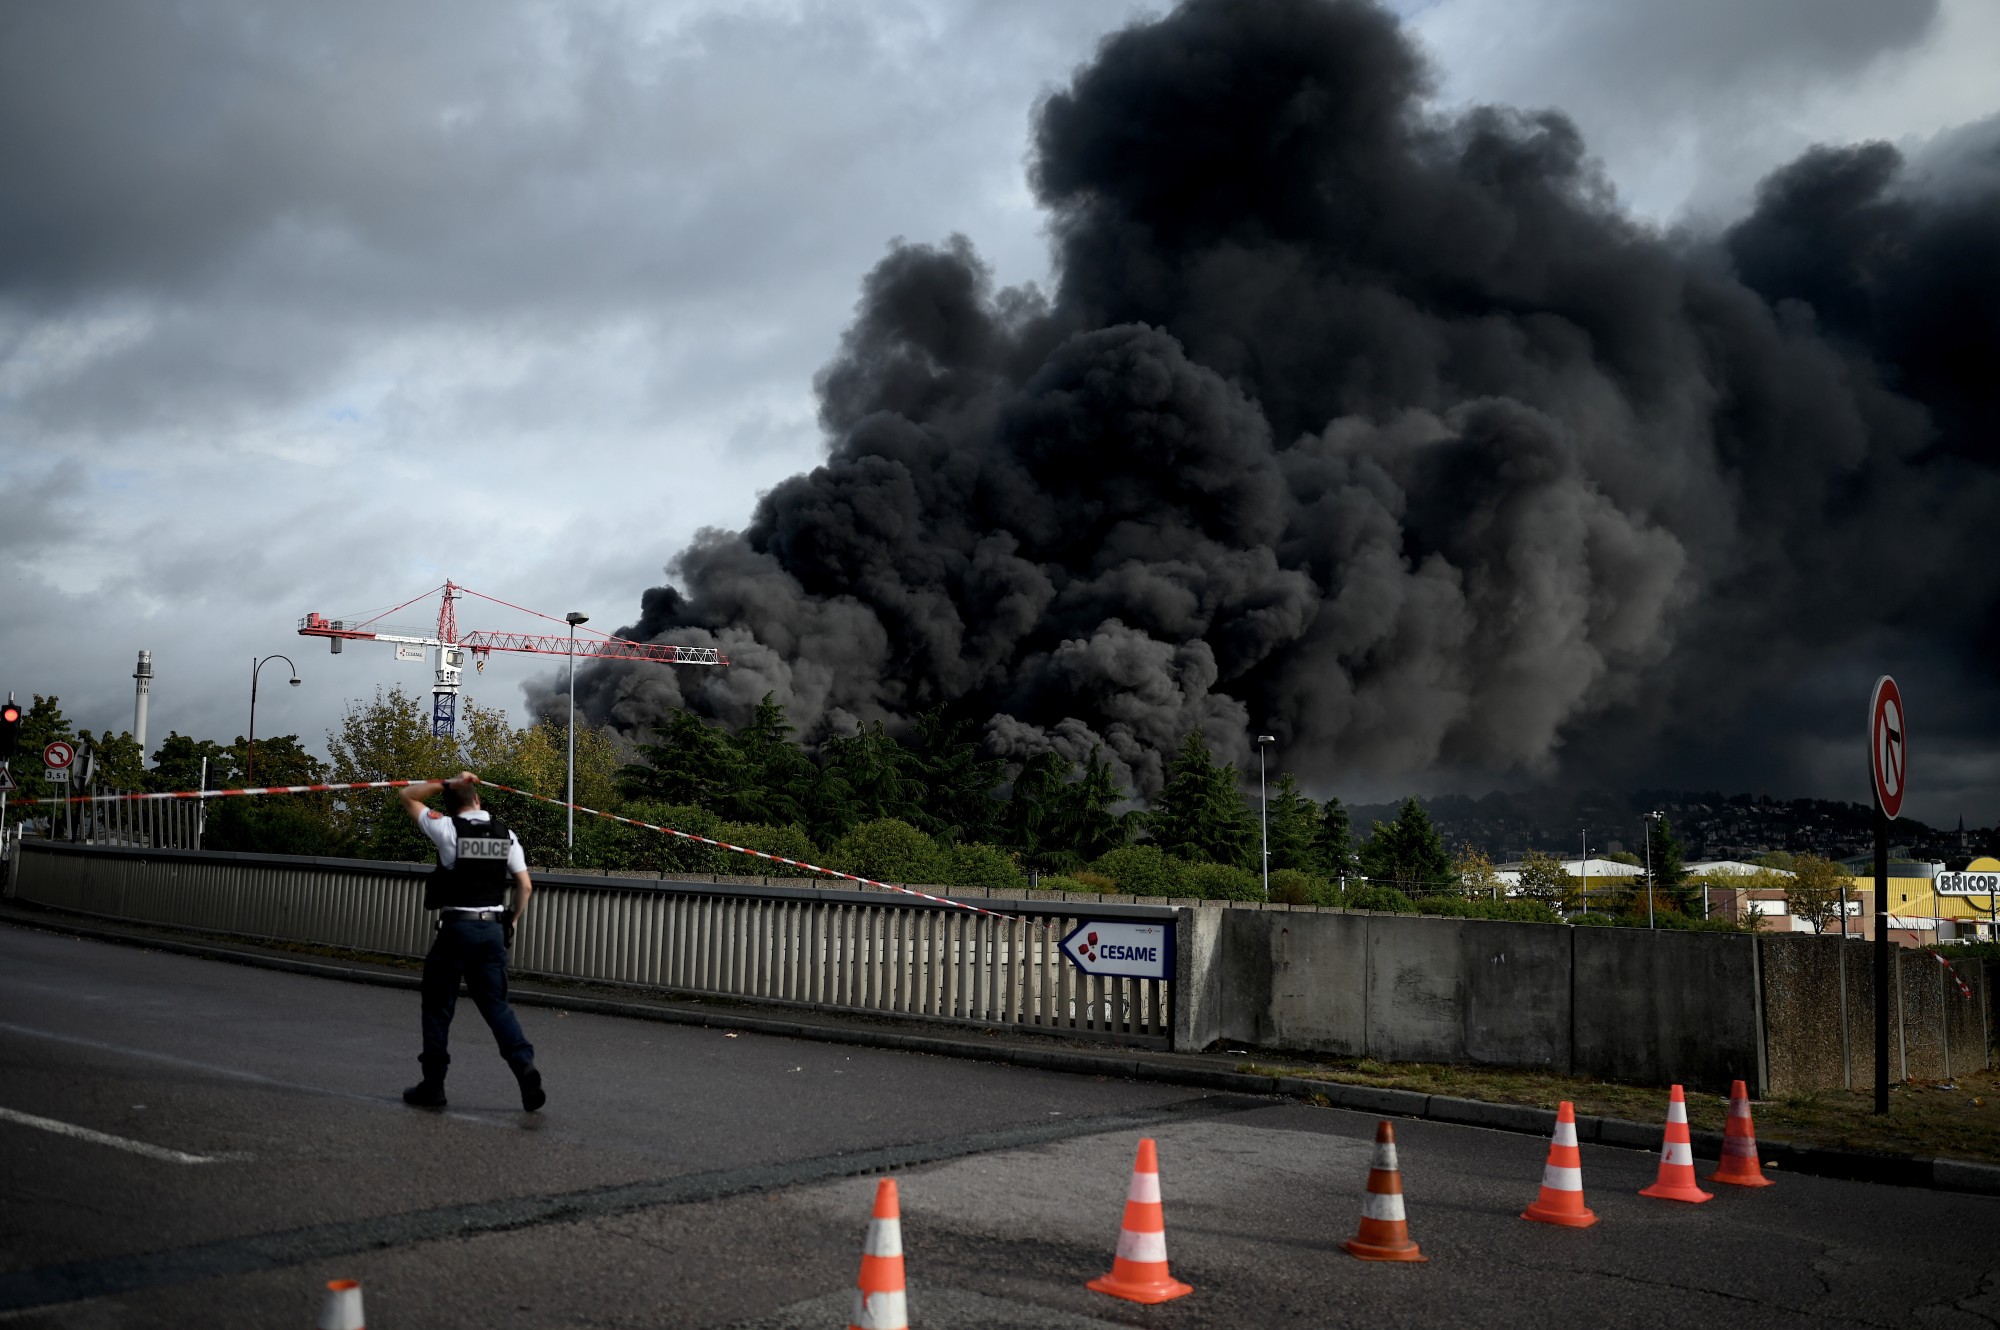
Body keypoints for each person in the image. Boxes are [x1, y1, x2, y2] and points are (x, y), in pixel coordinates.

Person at [398, 770, 546, 1112]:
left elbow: (408, 795)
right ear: (477, 799)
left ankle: (433, 1087)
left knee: (438, 1008)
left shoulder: (447, 829)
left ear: (451, 805)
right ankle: (524, 1068)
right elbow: (525, 886)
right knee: (496, 1005)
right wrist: (512, 919)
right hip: (492, 930)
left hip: (456, 930)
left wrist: (446, 782)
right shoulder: (505, 834)